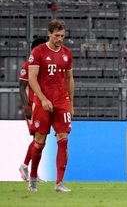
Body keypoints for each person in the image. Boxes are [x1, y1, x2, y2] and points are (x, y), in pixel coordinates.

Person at [28, 19, 74, 192]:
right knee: (39, 143)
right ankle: (33, 177)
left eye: (62, 36)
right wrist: (43, 98)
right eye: (56, 36)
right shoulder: (38, 51)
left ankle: (59, 182)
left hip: (62, 101)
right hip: (42, 102)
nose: (60, 39)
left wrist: (71, 103)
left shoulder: (67, 53)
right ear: (49, 34)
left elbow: (70, 78)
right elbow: (32, 78)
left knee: (63, 140)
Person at [18, 38, 47, 183]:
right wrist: (27, 107)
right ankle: (25, 166)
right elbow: (22, 87)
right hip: (32, 107)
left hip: (42, 106)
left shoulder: (45, 65)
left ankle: (30, 169)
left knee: (41, 140)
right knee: (38, 139)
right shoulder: (28, 65)